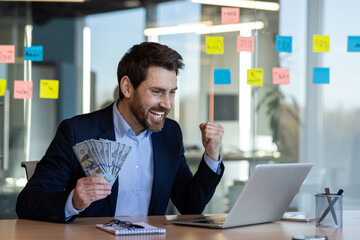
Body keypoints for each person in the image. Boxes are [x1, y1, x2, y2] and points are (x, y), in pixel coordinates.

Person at [16, 42, 225, 223]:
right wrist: (73, 201)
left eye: (172, 93)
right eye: (156, 92)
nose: (167, 104)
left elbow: (191, 206)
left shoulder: (169, 133)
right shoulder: (76, 131)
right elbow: (27, 202)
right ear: (127, 87)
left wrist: (212, 155)